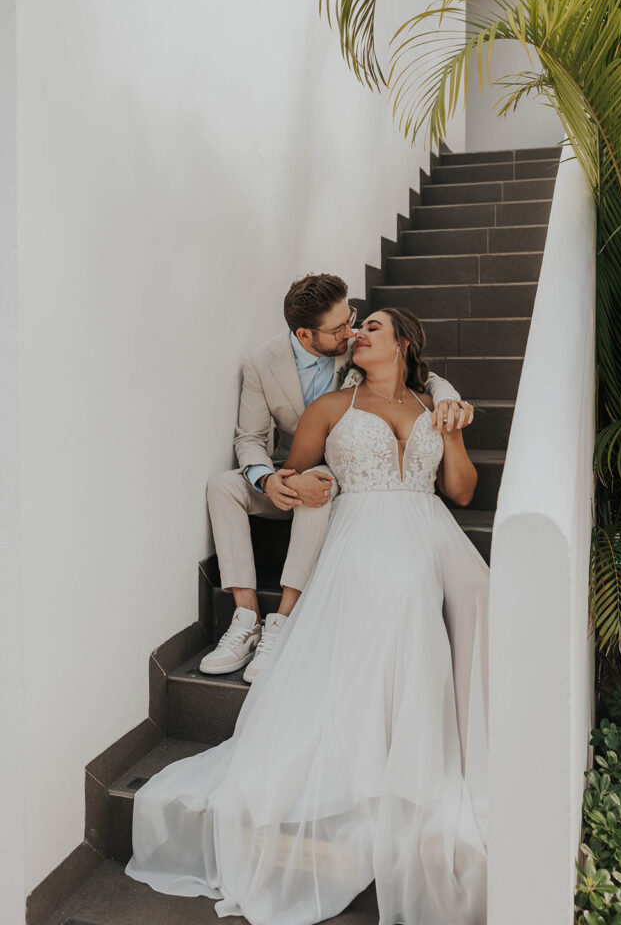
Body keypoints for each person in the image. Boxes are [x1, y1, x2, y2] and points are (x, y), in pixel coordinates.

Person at [126, 307, 489, 925]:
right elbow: (293, 478)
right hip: (362, 530)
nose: (358, 334)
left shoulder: (435, 407)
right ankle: (383, 755)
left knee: (476, 590)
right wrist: (301, 483)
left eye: (371, 326)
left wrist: (451, 433)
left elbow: (461, 492)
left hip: (427, 525)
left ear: (401, 342)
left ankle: (433, 745)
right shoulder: (331, 409)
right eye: (356, 328)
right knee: (397, 587)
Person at [201, 273, 469, 682]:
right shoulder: (262, 363)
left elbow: (412, 368)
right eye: (341, 328)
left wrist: (446, 393)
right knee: (222, 486)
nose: (353, 331)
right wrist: (270, 481)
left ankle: (284, 621)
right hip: (288, 467)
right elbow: (251, 439)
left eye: (354, 319)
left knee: (318, 488)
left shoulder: (357, 349)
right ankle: (245, 617)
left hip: (339, 469)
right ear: (306, 334)